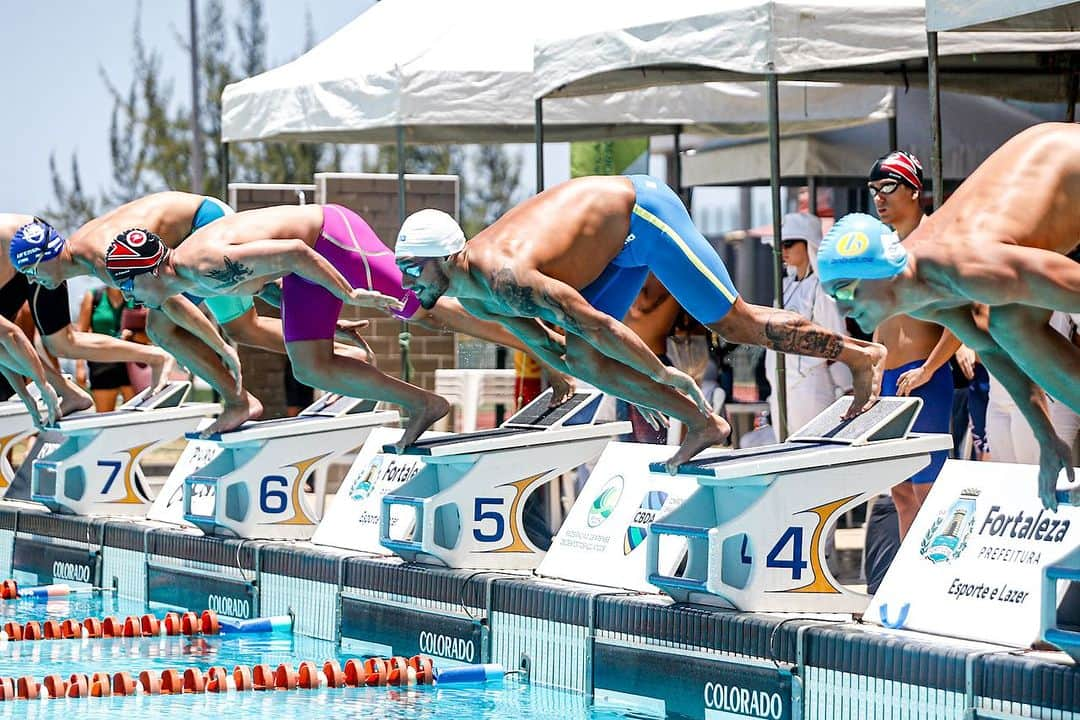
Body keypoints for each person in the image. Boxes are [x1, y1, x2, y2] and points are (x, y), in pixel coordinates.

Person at [395, 175, 888, 472]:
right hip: (611, 246)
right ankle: (704, 423)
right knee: (583, 359)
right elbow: (546, 344)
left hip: (643, 215)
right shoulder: (476, 298)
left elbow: (592, 324)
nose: (410, 282)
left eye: (413, 269)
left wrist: (658, 374)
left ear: (446, 256)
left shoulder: (504, 278)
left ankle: (861, 355)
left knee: (736, 323)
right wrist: (565, 378)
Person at [98, 204, 574, 450]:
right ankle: (424, 403)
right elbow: (265, 283)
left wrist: (346, 294)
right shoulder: (189, 277)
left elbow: (296, 253)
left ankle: (550, 349)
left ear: (148, 272)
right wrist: (330, 322)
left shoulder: (203, 266)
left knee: (431, 310)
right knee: (310, 364)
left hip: (330, 239)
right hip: (303, 269)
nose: (129, 298)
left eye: (127, 285)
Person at [817, 124, 1080, 509]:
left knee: (1011, 325)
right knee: (1008, 328)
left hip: (1068, 158)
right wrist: (1046, 437)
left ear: (877, 273)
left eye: (844, 290)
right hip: (1052, 170)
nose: (843, 307)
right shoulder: (922, 295)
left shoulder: (966, 266)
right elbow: (991, 353)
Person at [859, 151, 963, 539]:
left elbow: (963, 320)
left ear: (914, 190)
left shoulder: (936, 244)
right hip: (889, 382)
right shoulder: (883, 249)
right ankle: (908, 582)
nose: (879, 198)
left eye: (888, 187)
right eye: (874, 190)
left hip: (924, 380)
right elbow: (882, 325)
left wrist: (930, 368)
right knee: (901, 492)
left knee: (929, 491)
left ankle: (935, 580)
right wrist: (872, 375)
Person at [1, 214, 176, 424]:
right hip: (20, 255)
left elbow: (11, 334)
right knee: (60, 344)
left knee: (62, 343)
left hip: (31, 247)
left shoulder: (92, 258)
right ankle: (71, 394)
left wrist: (42, 386)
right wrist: (27, 396)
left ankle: (157, 356)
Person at [764, 212, 852, 433]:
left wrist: (848, 386)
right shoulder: (783, 286)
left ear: (809, 244)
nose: (783, 250)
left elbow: (837, 337)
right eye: (780, 244)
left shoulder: (822, 288)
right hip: (780, 384)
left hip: (811, 384)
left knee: (810, 451)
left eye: (789, 243)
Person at [76, 285, 134, 411]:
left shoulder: (134, 296)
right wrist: (80, 367)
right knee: (104, 415)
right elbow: (81, 333)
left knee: (135, 415)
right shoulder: (93, 296)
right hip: (101, 363)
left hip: (131, 362)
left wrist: (133, 334)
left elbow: (148, 332)